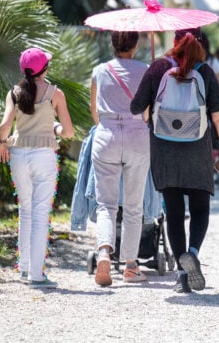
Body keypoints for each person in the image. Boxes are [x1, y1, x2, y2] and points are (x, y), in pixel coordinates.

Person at [130, 31, 219, 294]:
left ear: (174, 43)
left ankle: (181, 274)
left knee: (174, 212)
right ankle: (193, 253)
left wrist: (153, 93)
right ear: (202, 45)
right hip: (197, 149)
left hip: (164, 150)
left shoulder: (158, 67)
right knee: (200, 208)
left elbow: (135, 107)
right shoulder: (206, 72)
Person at [0, 47, 74, 289]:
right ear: (45, 69)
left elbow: (4, 126)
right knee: (40, 214)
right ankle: (36, 275)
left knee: (25, 209)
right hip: (44, 156)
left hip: (18, 155)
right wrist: (55, 128)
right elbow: (69, 132)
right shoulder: (55, 93)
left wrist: (1, 143)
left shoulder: (14, 93)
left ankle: (25, 266)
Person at [89, 31, 150, 287]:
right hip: (137, 136)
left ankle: (104, 251)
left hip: (106, 136)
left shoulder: (99, 71)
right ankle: (131, 266)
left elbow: (94, 111)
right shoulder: (147, 70)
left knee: (106, 204)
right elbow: (148, 111)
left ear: (112, 44)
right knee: (134, 206)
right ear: (135, 45)